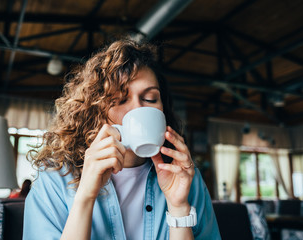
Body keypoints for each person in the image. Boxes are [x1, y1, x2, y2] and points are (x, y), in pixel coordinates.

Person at [23, 38, 221, 240]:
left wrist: (179, 207)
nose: (138, 108)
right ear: (94, 112)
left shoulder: (185, 178)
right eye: (119, 100)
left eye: (150, 99)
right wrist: (84, 197)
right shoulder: (56, 179)